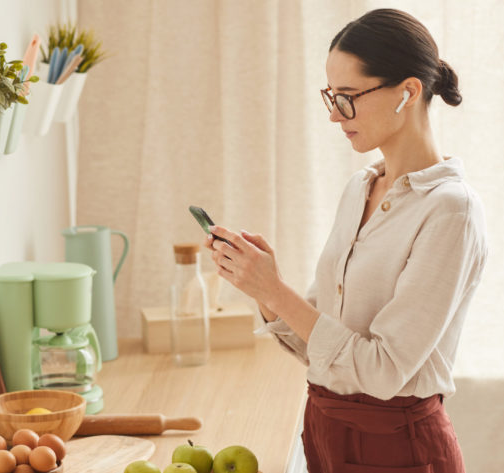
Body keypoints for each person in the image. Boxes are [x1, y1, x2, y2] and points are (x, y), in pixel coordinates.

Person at [204, 8, 487, 473]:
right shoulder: (360, 188)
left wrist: (276, 290)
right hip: (325, 430)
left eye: (349, 97)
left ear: (408, 92)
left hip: (398, 448)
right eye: (331, 97)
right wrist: (264, 290)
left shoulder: (450, 210)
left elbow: (380, 370)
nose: (335, 115)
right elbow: (322, 343)